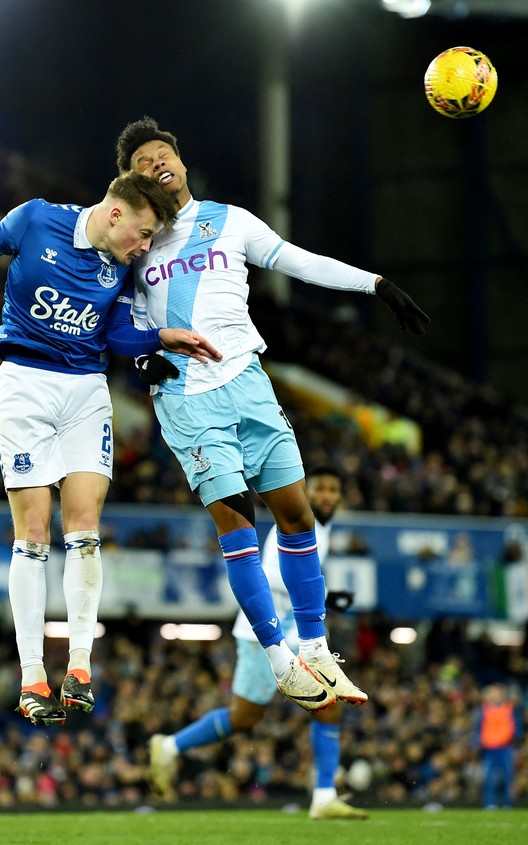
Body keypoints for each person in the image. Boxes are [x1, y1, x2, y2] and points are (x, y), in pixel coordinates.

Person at [0, 172, 220, 727]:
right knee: (32, 534)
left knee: (84, 527)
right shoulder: (35, 219)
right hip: (25, 387)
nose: (146, 246)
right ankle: (32, 676)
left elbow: (115, 336)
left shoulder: (122, 266)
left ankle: (79, 665)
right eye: (144, 233)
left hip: (85, 393)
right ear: (114, 215)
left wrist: (160, 336)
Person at [116, 116, 430, 711]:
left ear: (180, 162)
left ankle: (314, 649)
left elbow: (297, 260)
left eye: (163, 154)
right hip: (187, 398)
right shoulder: (132, 240)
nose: (157, 164)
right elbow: (113, 316)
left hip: (249, 383)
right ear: (130, 182)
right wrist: (141, 360)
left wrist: (377, 285)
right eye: (142, 163)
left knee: (297, 516)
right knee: (239, 532)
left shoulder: (229, 221)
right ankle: (280, 658)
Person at [149, 466, 368, 819]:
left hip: (294, 634)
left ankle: (324, 796)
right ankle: (171, 746)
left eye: (333, 489)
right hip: (266, 634)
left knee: (331, 704)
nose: (327, 496)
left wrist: (327, 594)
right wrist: (325, 594)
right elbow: (274, 577)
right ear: (307, 492)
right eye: (321, 489)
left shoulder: (319, 529)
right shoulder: (294, 523)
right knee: (244, 718)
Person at [473, 683, 523, 810]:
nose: (495, 696)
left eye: (498, 694)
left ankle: (508, 803)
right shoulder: (483, 710)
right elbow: (477, 729)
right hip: (489, 749)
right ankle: (489, 803)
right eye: (493, 694)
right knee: (489, 777)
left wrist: (516, 740)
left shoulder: (510, 709)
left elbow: (517, 727)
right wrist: (477, 743)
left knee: (509, 776)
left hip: (506, 748)